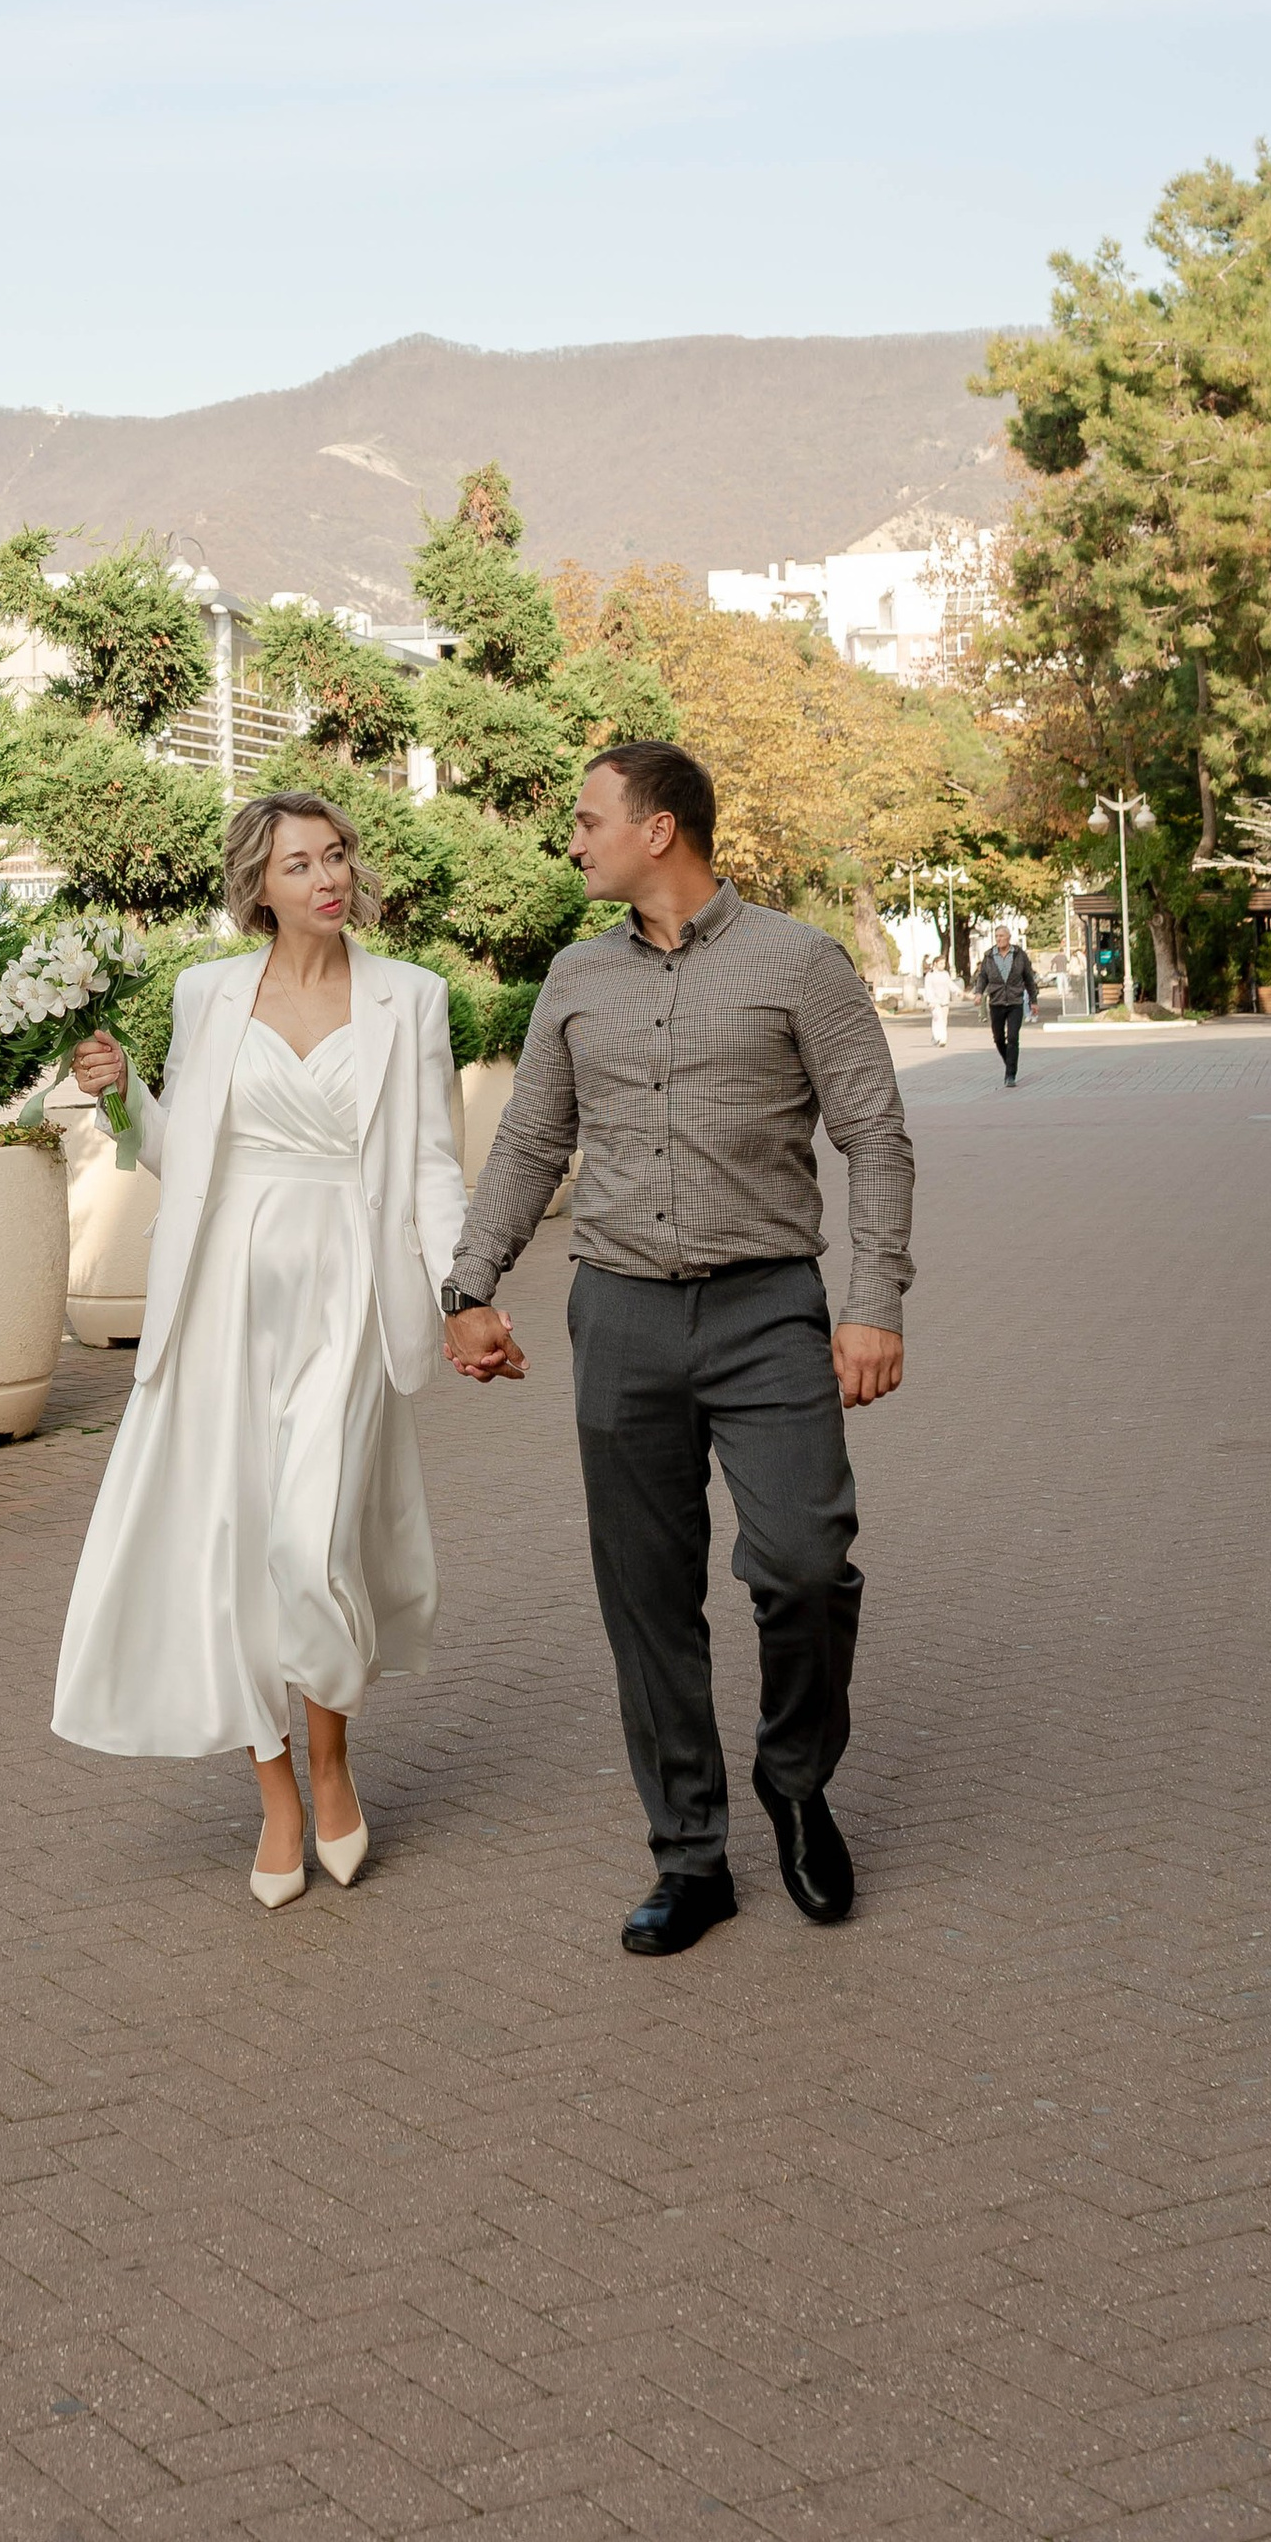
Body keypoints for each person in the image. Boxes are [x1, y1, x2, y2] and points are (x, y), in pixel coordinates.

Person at [444, 741, 913, 1958]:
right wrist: (468, 1283)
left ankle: (796, 1783)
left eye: (589, 817)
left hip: (768, 1313)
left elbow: (877, 1138)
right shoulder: (573, 976)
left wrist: (874, 1303)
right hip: (620, 1318)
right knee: (647, 1598)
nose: (573, 837)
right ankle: (689, 1857)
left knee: (805, 1562)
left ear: (659, 831)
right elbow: (529, 1146)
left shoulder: (798, 963)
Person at [52, 790, 464, 1906]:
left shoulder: (411, 998)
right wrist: (120, 1095)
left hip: (347, 1287)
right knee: (234, 1547)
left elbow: (431, 1163)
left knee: (313, 1539)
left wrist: (461, 1289)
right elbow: (184, 1153)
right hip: (225, 1290)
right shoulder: (207, 993)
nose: (325, 878)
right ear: (258, 885)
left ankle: (332, 1759)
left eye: (335, 857)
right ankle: (277, 1789)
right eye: (298, 864)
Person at [976, 920, 1037, 1083]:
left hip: (1015, 1002)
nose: (998, 939)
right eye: (996, 936)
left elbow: (1029, 978)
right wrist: (978, 992)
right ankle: (1009, 1061)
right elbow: (983, 976)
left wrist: (1033, 1001)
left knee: (1012, 1037)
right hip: (996, 1002)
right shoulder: (989, 955)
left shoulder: (1019, 954)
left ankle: (1010, 1074)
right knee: (998, 1038)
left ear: (1009, 937)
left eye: (1001, 936)